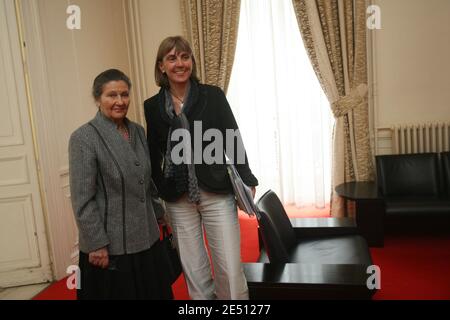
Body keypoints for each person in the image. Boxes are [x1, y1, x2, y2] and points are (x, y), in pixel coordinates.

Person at [144, 36, 258, 300]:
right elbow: (154, 150)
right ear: (161, 66)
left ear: (191, 62)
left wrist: (247, 177)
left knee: (229, 268)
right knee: (194, 271)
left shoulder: (213, 96)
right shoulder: (152, 107)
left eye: (185, 57)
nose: (179, 63)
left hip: (216, 191)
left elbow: (232, 136)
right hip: (178, 198)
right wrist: (161, 186)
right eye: (172, 58)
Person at [69, 69, 173, 300]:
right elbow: (82, 199)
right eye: (111, 95)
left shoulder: (137, 130)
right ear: (98, 99)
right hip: (111, 247)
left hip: (147, 241)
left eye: (124, 95)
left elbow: (146, 181)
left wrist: (160, 216)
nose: (119, 101)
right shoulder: (84, 138)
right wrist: (96, 244)